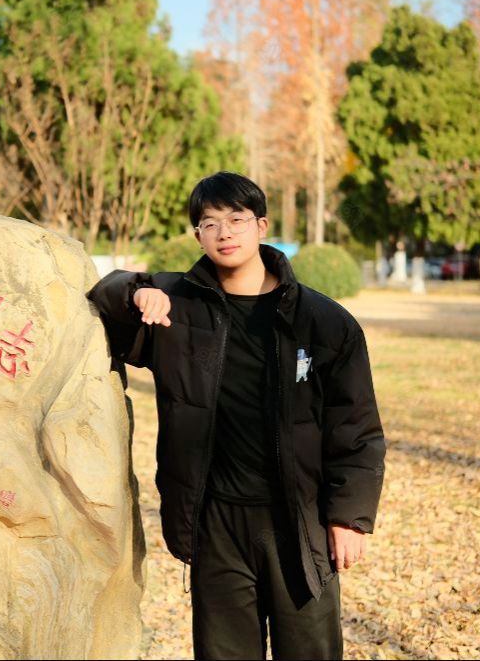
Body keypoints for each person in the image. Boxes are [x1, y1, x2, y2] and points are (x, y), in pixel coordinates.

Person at [87, 172, 386, 660]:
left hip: (299, 521)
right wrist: (136, 293)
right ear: (198, 235)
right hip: (216, 523)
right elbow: (101, 296)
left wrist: (349, 517)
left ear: (261, 226)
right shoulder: (176, 307)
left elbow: (356, 427)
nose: (224, 233)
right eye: (210, 223)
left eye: (236, 219)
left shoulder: (324, 321)